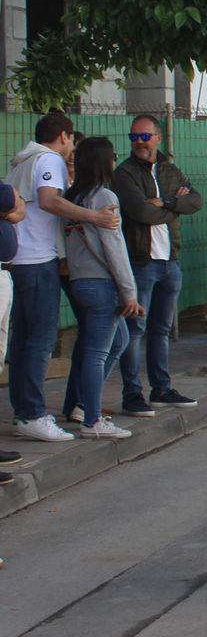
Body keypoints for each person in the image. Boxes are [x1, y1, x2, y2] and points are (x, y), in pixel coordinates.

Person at [7, 113, 120, 443]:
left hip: (20, 260)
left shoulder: (22, 161)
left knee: (24, 339)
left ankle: (24, 411)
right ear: (65, 136)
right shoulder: (48, 159)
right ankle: (32, 413)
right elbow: (49, 200)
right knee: (40, 340)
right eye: (71, 141)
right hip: (37, 259)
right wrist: (93, 216)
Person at [112, 114, 201, 415]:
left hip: (169, 261)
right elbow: (139, 212)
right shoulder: (124, 173)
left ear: (158, 138)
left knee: (160, 330)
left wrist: (166, 203)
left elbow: (196, 201)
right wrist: (175, 207)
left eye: (144, 136)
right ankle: (132, 393)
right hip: (141, 262)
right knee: (135, 329)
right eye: (134, 137)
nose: (139, 142)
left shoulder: (169, 170)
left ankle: (161, 388)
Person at [62, 137, 143, 439]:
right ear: (103, 162)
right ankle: (91, 419)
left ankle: (86, 403)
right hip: (102, 284)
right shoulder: (104, 197)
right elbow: (115, 247)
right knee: (97, 353)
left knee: (118, 341)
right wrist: (129, 292)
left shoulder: (73, 196)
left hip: (79, 282)